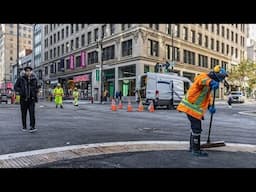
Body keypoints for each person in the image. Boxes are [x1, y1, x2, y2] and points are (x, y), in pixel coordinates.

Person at [177, 65, 228, 157]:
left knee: (194, 128)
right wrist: (211, 82)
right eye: (220, 78)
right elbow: (203, 81)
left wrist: (210, 106)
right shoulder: (203, 77)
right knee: (197, 128)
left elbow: (207, 96)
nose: (220, 81)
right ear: (216, 76)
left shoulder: (208, 85)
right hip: (191, 108)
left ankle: (192, 147)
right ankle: (195, 150)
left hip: (193, 109)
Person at [14, 66, 39, 132]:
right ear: (24, 71)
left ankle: (32, 127)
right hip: (23, 99)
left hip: (31, 99)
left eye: (29, 71)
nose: (28, 72)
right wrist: (21, 91)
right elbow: (15, 87)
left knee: (32, 113)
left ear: (31, 71)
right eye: (27, 71)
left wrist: (35, 92)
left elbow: (36, 88)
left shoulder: (34, 79)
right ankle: (24, 127)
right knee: (23, 113)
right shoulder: (21, 78)